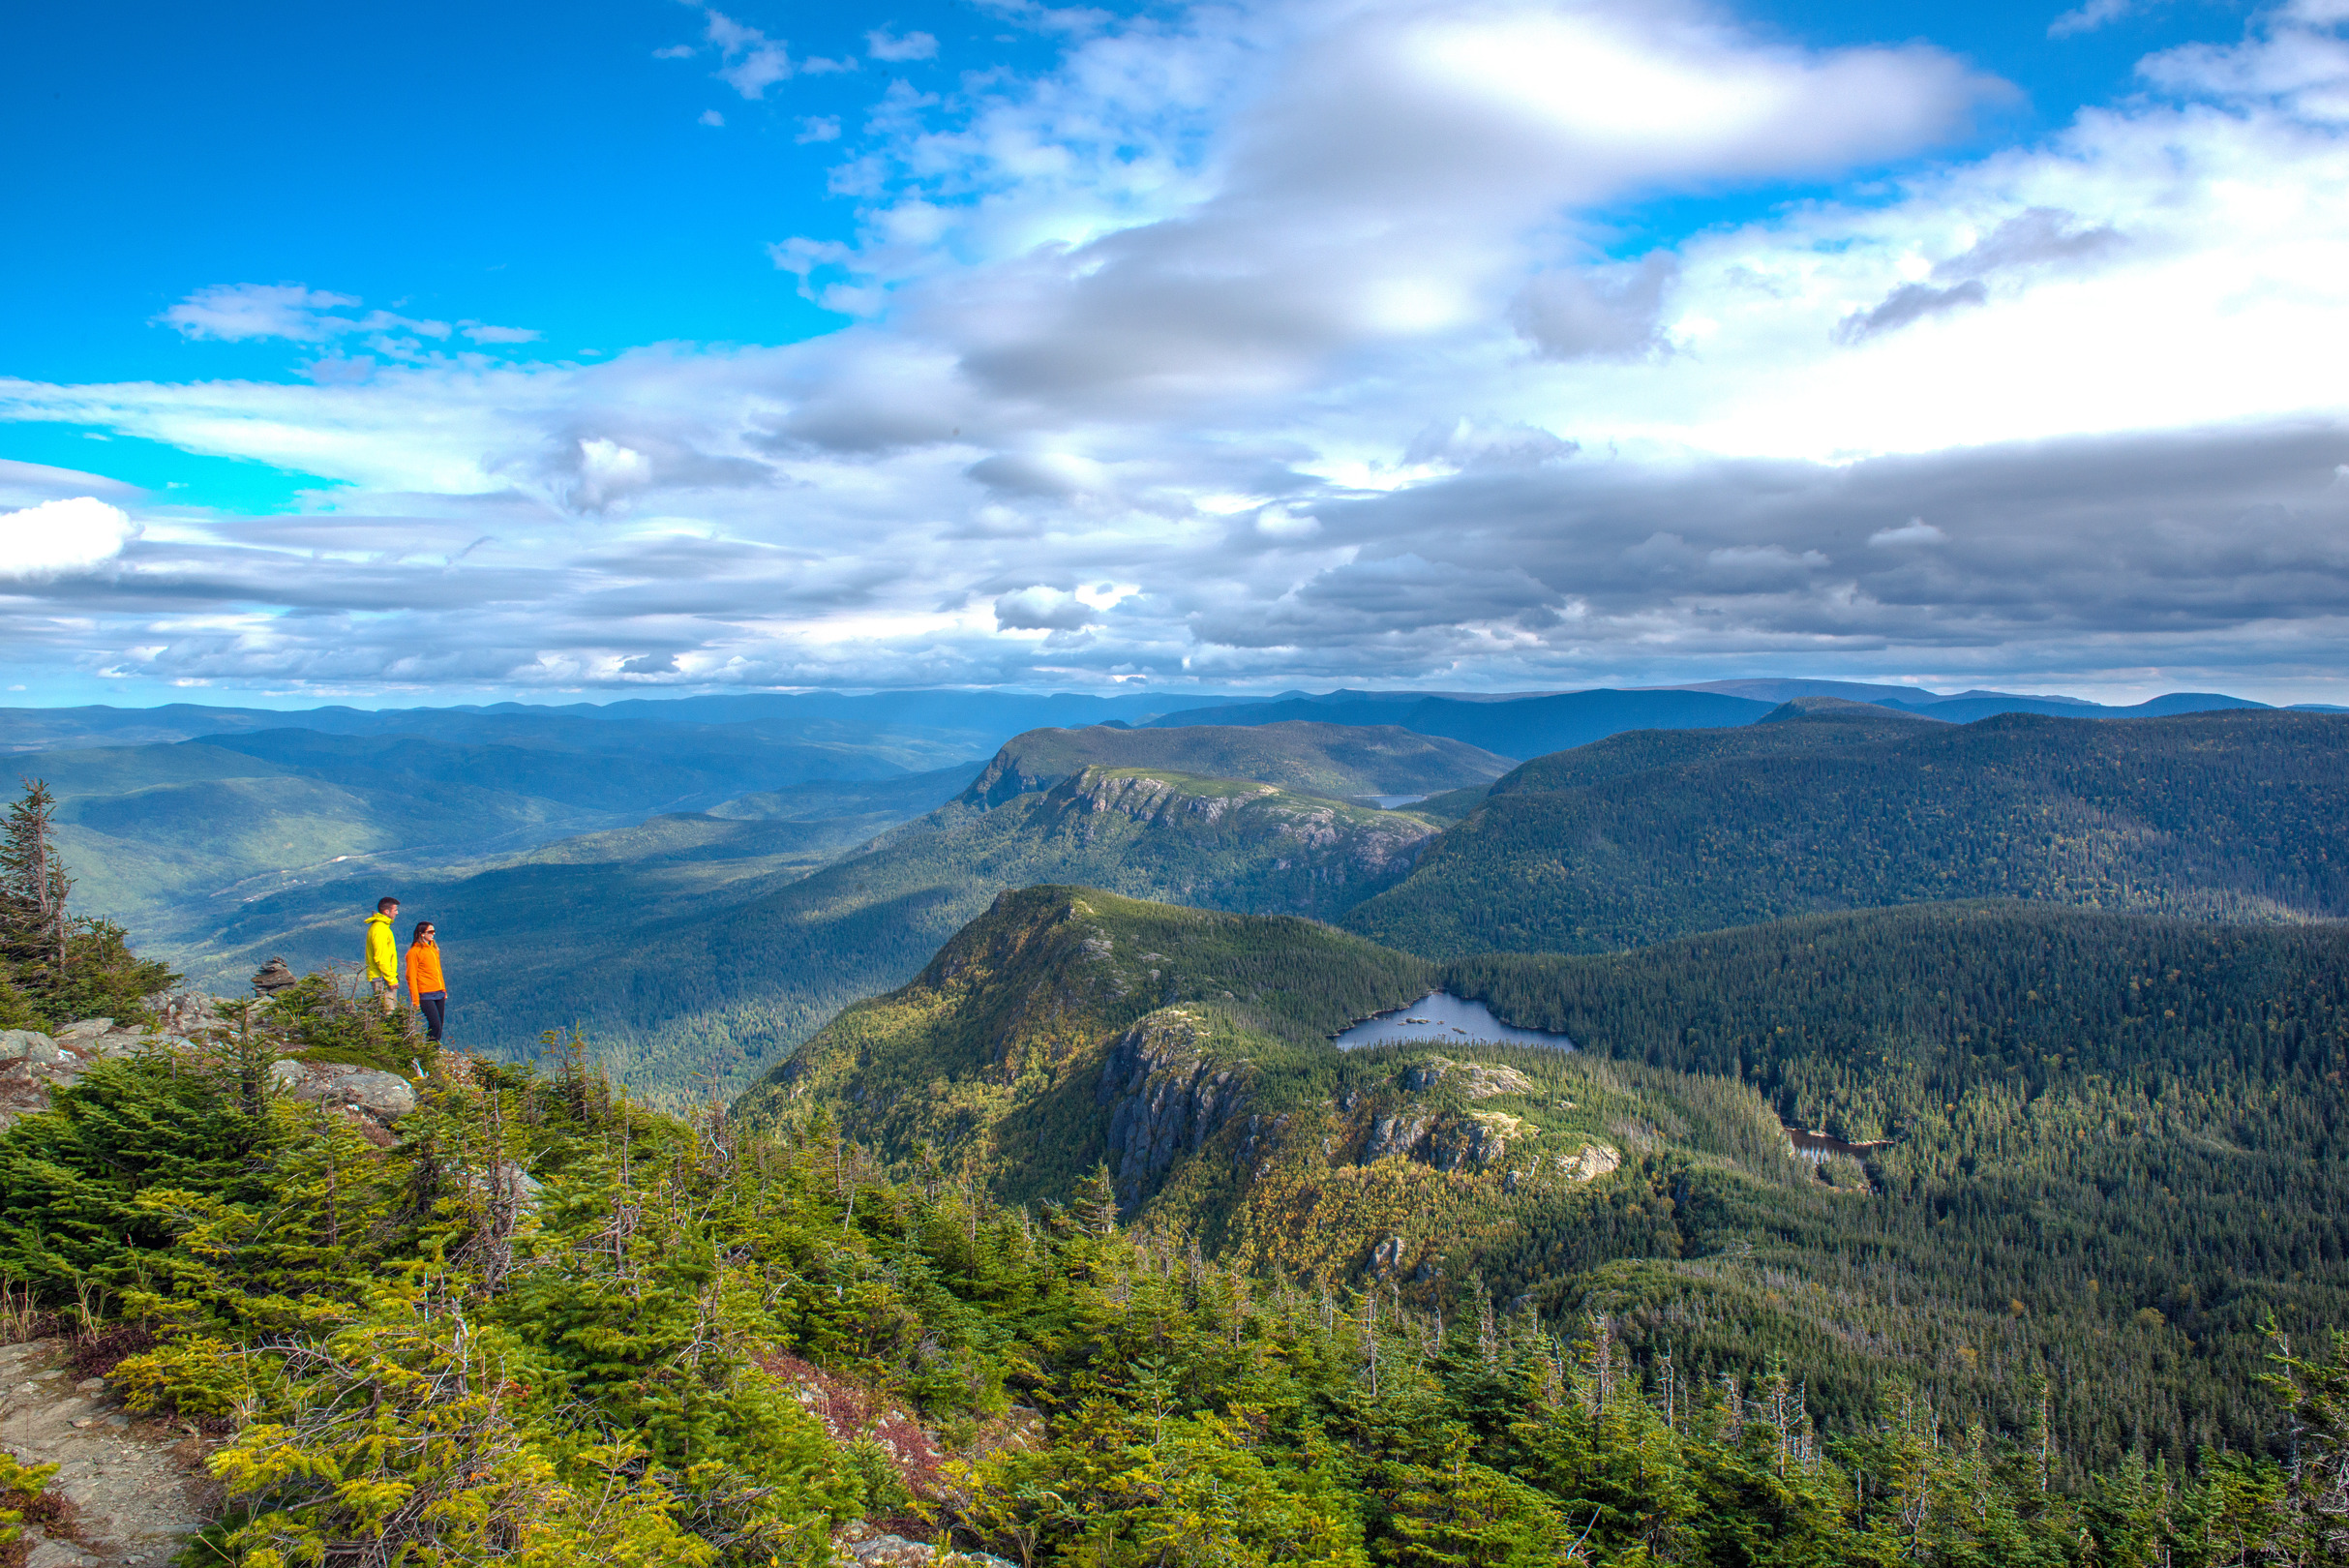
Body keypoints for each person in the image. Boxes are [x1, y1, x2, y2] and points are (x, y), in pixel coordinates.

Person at [407, 920, 447, 1042]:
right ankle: (429, 1053)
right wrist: (415, 1000)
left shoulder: (433, 950)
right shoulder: (414, 952)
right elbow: (410, 976)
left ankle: (433, 1052)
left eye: (434, 931)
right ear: (421, 933)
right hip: (425, 994)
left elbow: (438, 971)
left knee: (439, 1025)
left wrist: (443, 990)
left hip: (439, 992)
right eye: (430, 931)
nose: (433, 934)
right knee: (435, 1025)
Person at [363, 896, 401, 1011]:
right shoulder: (380, 929)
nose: (397, 913)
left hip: (384, 976)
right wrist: (391, 978)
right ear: (386, 911)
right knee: (389, 1013)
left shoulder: (382, 927)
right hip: (382, 978)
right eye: (395, 910)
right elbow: (380, 957)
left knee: (389, 1012)